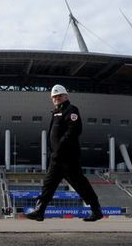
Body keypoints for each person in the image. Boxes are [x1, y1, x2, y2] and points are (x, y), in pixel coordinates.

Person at [25, 84, 103, 222]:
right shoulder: (55, 113)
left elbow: (74, 131)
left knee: (80, 184)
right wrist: (53, 152)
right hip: (56, 159)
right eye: (54, 97)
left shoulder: (71, 110)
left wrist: (59, 148)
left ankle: (96, 210)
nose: (56, 98)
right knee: (48, 185)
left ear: (66, 96)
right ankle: (40, 211)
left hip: (69, 158)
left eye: (59, 96)